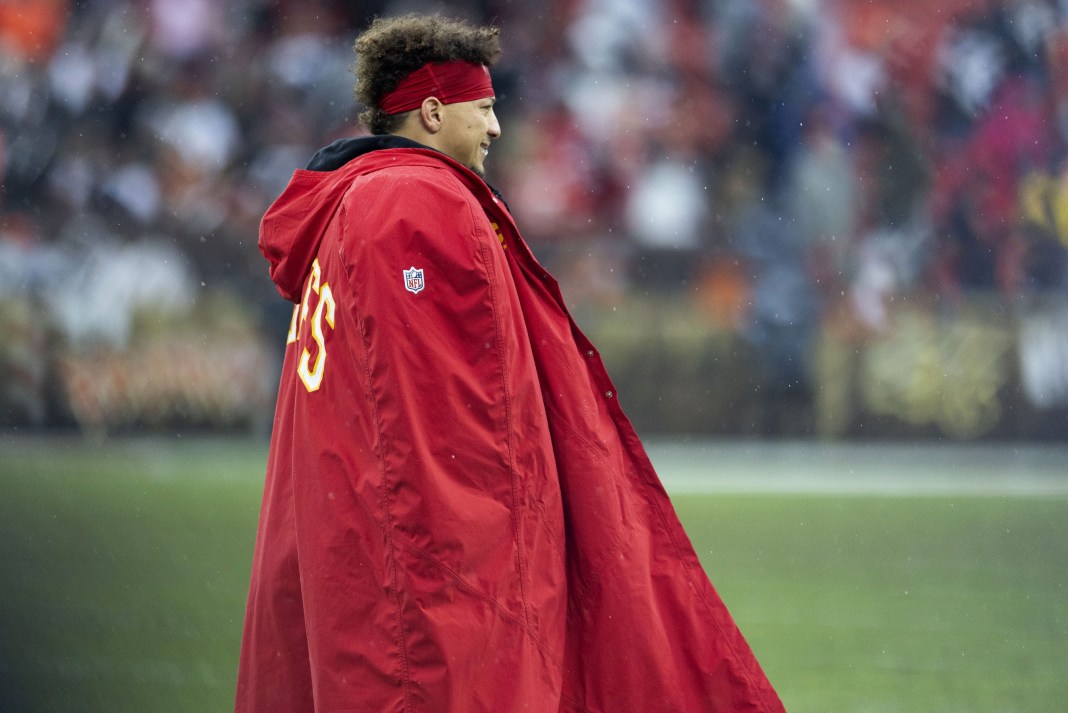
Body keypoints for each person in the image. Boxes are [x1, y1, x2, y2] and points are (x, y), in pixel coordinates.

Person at [236, 13, 785, 713]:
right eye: (484, 107)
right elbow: (442, 416)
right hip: (417, 553)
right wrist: (511, 546)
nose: (496, 128)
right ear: (434, 112)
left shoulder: (356, 198)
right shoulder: (413, 198)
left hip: (348, 528)